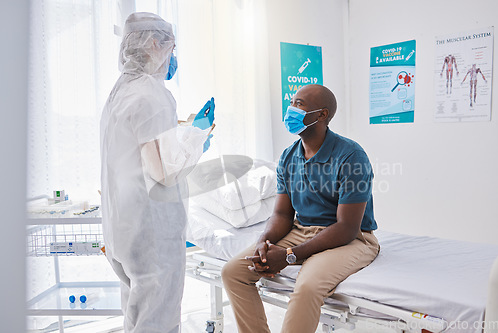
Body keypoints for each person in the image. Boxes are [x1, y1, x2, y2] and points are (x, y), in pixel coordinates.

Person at [222, 84, 379, 333]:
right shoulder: (288, 157)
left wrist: (289, 256)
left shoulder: (351, 156)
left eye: (299, 104)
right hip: (301, 230)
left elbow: (347, 228)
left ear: (322, 115)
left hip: (351, 239)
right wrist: (264, 241)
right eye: (292, 102)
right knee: (233, 272)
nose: (290, 110)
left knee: (306, 287)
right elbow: (283, 214)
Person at [100, 12, 214, 333]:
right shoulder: (152, 95)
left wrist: (189, 135)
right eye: (171, 48)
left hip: (123, 227)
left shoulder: (120, 93)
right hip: (152, 233)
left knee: (137, 315)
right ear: (153, 44)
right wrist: (198, 136)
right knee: (158, 321)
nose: (172, 58)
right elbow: (163, 171)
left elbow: (142, 154)